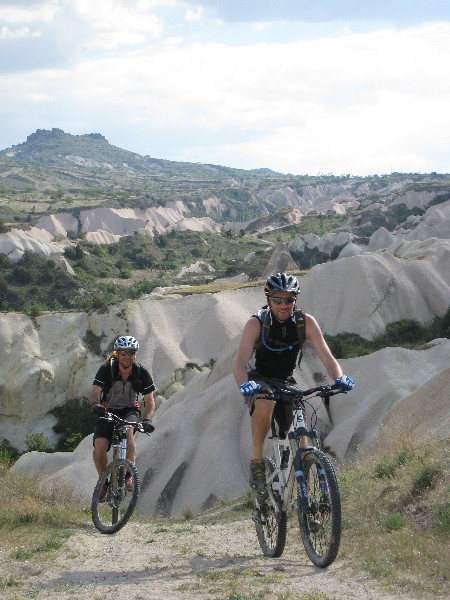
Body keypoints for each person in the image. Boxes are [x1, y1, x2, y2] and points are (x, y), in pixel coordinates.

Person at [232, 272, 355, 490]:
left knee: (302, 439)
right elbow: (239, 364)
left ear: (295, 300)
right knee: (264, 401)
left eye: (289, 299)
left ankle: (307, 503)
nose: (284, 305)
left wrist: (340, 377)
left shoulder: (305, 323)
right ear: (268, 299)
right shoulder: (257, 323)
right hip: (260, 379)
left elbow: (328, 359)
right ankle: (258, 462)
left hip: (286, 382)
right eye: (277, 299)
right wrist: (244, 384)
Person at [88, 335, 155, 498]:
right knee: (99, 447)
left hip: (130, 411)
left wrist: (147, 420)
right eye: (123, 353)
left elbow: (150, 401)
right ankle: (104, 482)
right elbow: (93, 394)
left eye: (131, 352)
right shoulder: (107, 369)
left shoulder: (141, 373)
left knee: (128, 432)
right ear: (117, 354)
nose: (127, 356)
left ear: (135, 354)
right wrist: (96, 405)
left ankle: (128, 475)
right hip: (108, 411)